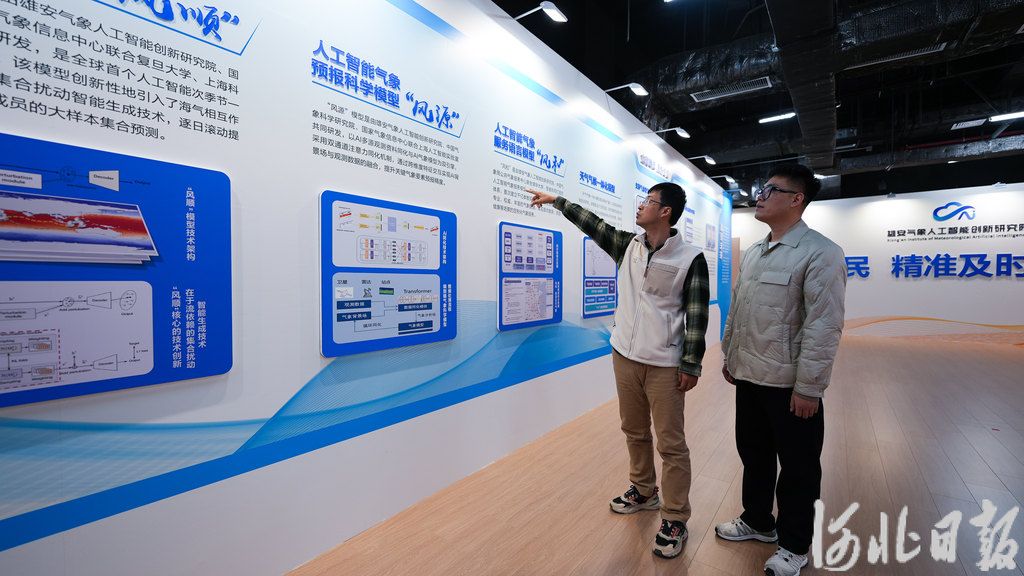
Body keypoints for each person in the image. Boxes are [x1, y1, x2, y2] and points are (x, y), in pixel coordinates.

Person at [528, 183, 709, 559]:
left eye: (648, 202)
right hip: (625, 356)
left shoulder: (690, 258)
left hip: (664, 364)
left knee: (671, 444)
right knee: (634, 430)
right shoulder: (629, 246)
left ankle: (675, 517)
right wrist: (558, 202)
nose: (640, 206)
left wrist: (691, 363)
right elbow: (593, 224)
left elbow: (697, 314)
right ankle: (643, 490)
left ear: (665, 212)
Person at [715, 164, 847, 576]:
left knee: (798, 468)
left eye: (771, 189)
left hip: (790, 386)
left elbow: (824, 325)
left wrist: (809, 388)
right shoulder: (756, 251)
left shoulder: (821, 253)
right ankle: (757, 520)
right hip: (750, 376)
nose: (760, 195)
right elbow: (739, 310)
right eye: (762, 188)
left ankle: (794, 544)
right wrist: (731, 356)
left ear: (796, 199)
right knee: (754, 455)